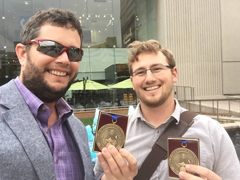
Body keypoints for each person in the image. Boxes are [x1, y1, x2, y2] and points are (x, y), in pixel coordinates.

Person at [0, 8, 137, 180]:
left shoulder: (77, 128)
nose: (64, 59)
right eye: (51, 48)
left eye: (73, 52)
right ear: (22, 54)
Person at [94, 39, 240, 180]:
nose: (149, 78)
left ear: (174, 74)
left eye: (157, 69)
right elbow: (96, 176)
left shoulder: (212, 131)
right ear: (132, 82)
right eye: (140, 72)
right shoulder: (114, 131)